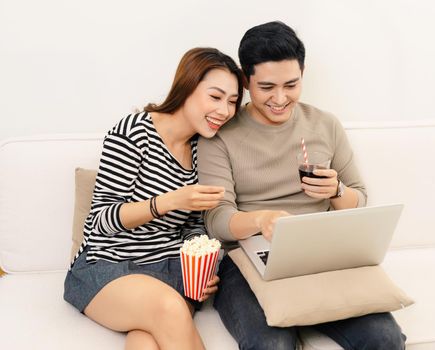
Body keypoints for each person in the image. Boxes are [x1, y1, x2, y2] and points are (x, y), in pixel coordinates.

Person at [197, 22, 406, 349]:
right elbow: (216, 219)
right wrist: (261, 220)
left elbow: (358, 199)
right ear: (245, 80)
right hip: (248, 259)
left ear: (303, 73)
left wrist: (336, 191)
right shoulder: (220, 135)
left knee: (386, 340)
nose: (280, 99)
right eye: (266, 87)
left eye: (291, 85)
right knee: (272, 346)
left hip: (319, 253)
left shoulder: (325, 124)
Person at [64, 47, 243, 350]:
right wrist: (169, 201)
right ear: (186, 87)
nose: (225, 110)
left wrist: (202, 267)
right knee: (169, 308)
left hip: (173, 271)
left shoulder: (205, 149)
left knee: (144, 343)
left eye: (233, 101)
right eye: (215, 97)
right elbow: (102, 220)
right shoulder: (134, 132)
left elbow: (193, 229)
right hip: (108, 265)